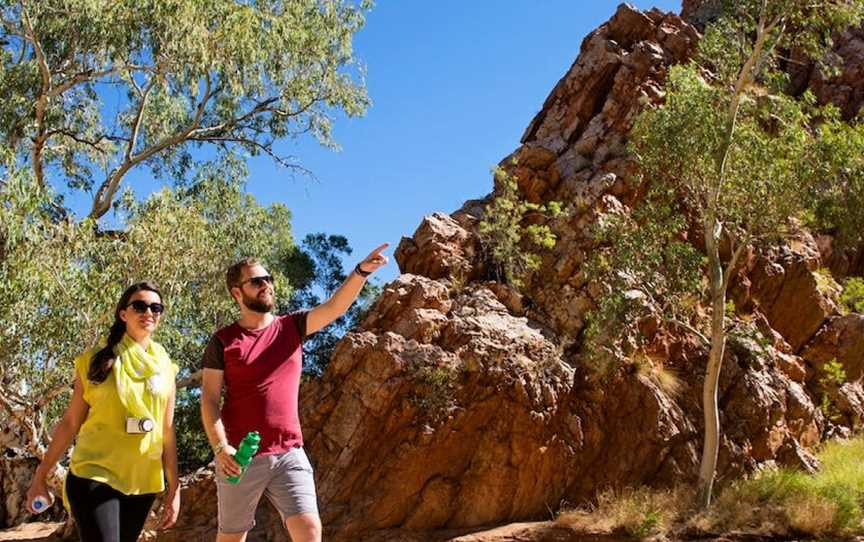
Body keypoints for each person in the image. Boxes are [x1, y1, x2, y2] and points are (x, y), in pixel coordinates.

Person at [200, 244, 389, 542]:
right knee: (231, 538)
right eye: (257, 281)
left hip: (289, 452)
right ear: (237, 293)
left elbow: (335, 307)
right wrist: (222, 448)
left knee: (310, 529)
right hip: (240, 456)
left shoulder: (292, 326)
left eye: (268, 278)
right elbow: (209, 399)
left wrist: (361, 272)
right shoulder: (223, 341)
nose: (266, 285)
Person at [26, 282, 181, 542]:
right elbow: (70, 422)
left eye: (156, 307)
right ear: (123, 314)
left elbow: (166, 431)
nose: (148, 312)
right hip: (94, 472)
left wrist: (174, 488)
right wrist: (41, 476)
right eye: (139, 306)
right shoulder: (95, 361)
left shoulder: (166, 368)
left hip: (141, 481)